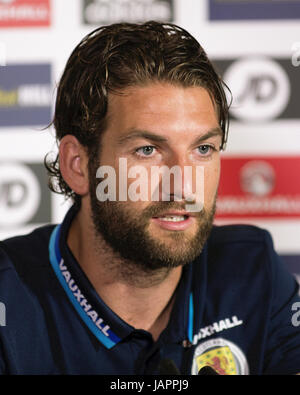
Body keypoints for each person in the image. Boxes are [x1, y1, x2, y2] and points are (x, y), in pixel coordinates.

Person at [0, 21, 299, 376]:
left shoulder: (252, 269)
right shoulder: (8, 299)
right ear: (78, 166)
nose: (184, 185)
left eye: (203, 149)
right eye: (147, 150)